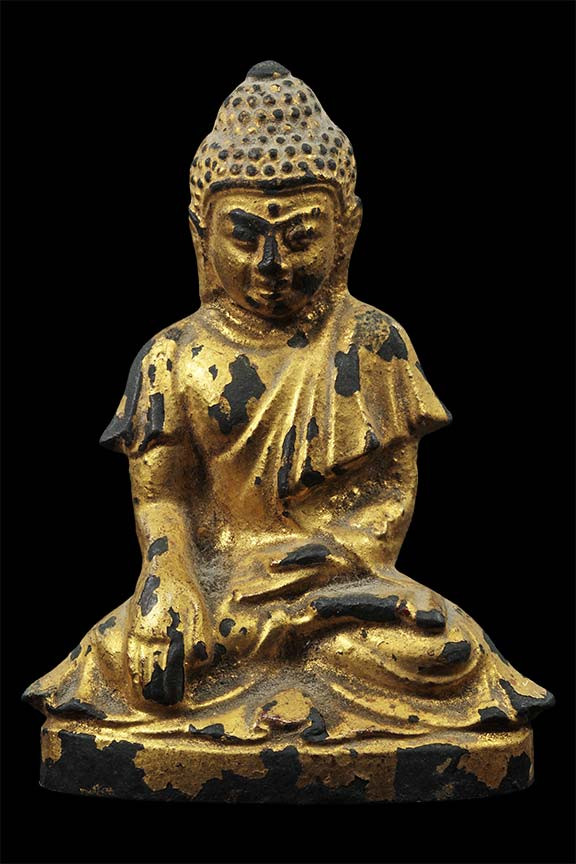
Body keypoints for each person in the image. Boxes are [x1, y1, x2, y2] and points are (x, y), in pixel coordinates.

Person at [24, 60, 552, 745]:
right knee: (125, 655)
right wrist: (170, 588)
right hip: (219, 593)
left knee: (447, 651)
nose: (270, 263)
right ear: (200, 233)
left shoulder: (374, 343)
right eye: (244, 236)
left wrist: (327, 566)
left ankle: (291, 656)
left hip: (337, 589)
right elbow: (161, 500)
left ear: (346, 231)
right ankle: (277, 667)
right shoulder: (171, 357)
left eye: (301, 236)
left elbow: (389, 501)